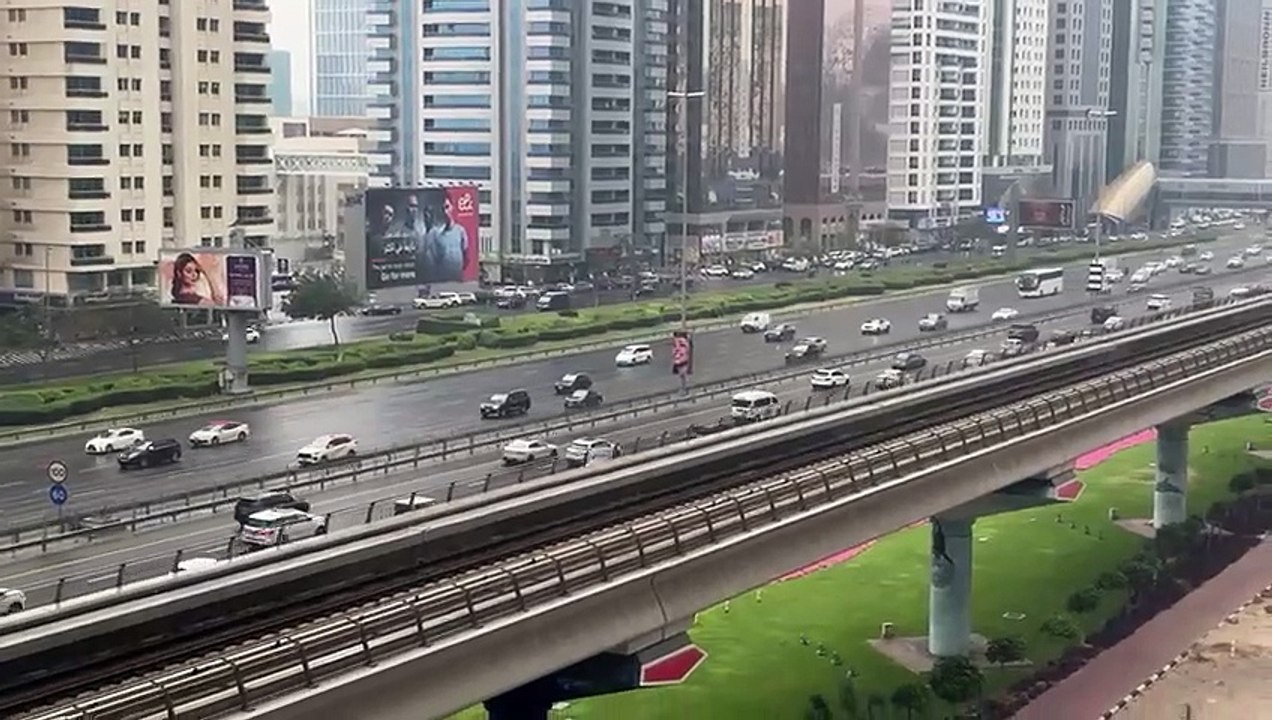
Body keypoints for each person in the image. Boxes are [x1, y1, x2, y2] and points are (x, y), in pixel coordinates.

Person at [419, 193, 469, 282]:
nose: (445, 212)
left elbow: (466, 256)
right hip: (442, 280)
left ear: (452, 207)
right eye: (443, 209)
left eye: (447, 207)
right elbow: (434, 259)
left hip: (457, 279)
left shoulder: (460, 231)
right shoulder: (437, 234)